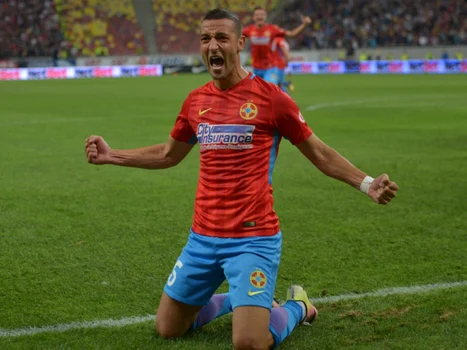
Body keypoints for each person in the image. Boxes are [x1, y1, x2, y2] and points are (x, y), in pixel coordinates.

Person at [85, 9, 399, 350]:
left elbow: (319, 153)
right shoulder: (195, 101)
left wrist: (367, 183)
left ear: (240, 43)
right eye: (205, 39)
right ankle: (240, 299)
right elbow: (168, 154)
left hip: (253, 238)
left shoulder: (272, 99)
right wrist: (112, 155)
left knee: (249, 342)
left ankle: (298, 306)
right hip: (202, 238)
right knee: (168, 328)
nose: (212, 45)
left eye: (221, 37)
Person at [242, 6, 311, 84]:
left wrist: (304, 25)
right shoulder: (249, 30)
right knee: (258, 94)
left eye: (262, 14)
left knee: (269, 89)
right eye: (257, 15)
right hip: (256, 68)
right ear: (253, 17)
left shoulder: (272, 29)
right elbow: (234, 36)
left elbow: (292, 34)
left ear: (265, 17)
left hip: (270, 67)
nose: (259, 17)